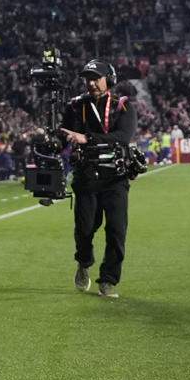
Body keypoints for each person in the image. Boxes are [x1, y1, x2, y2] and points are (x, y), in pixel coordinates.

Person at [61, 59, 138, 298]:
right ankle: (83, 263)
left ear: (109, 79)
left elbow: (123, 137)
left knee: (116, 231)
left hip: (115, 177)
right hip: (86, 176)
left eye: (96, 78)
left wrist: (87, 138)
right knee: (84, 229)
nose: (91, 83)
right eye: (87, 79)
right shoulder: (75, 107)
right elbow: (65, 135)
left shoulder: (123, 107)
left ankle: (108, 280)